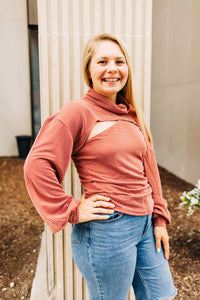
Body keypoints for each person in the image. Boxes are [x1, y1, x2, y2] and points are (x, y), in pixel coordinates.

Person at [24, 33, 177, 300]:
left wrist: (159, 218)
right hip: (108, 230)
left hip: (145, 226)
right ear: (89, 70)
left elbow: (148, 166)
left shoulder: (129, 112)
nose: (112, 69)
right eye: (102, 61)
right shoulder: (78, 112)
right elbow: (37, 165)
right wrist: (70, 209)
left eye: (119, 61)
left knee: (160, 294)